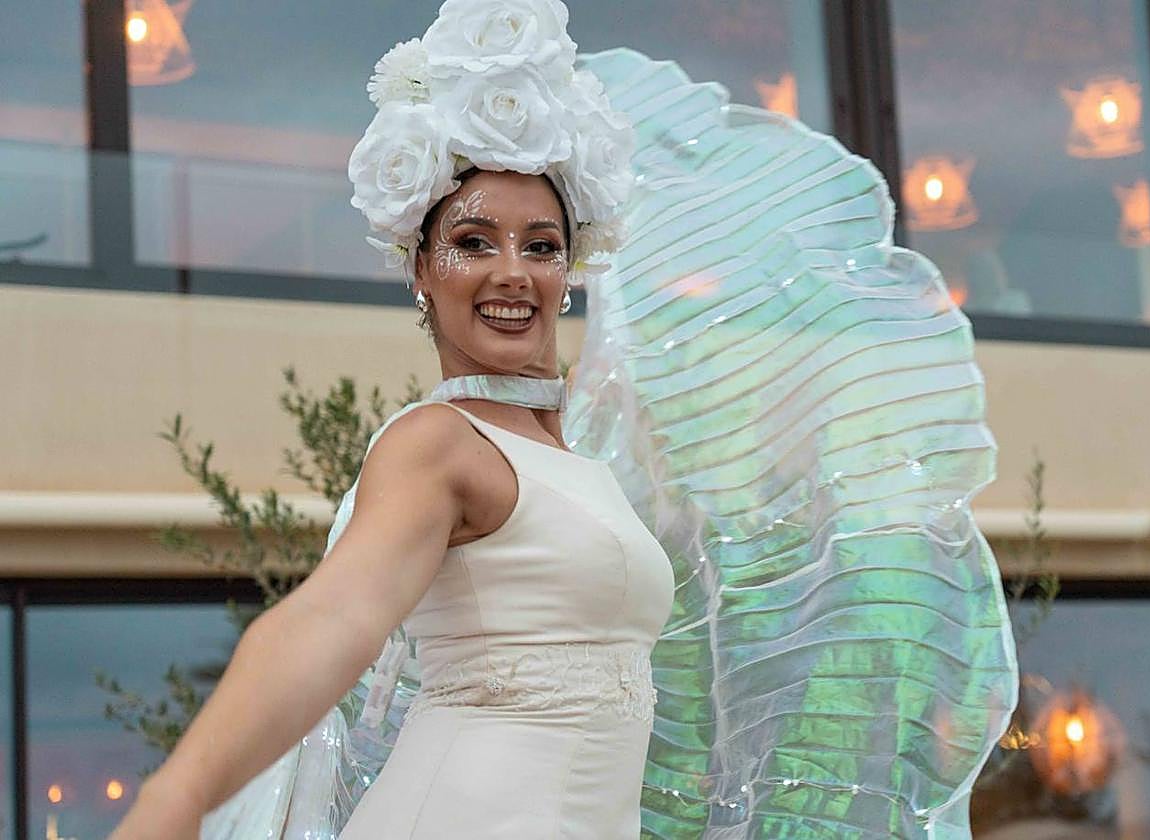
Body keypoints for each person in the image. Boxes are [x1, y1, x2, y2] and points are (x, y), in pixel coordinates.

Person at [111, 1, 1018, 837]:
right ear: (420, 272)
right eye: (473, 242)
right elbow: (333, 619)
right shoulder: (437, 445)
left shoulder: (576, 464)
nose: (513, 271)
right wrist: (177, 800)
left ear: (570, 271)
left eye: (541, 246)